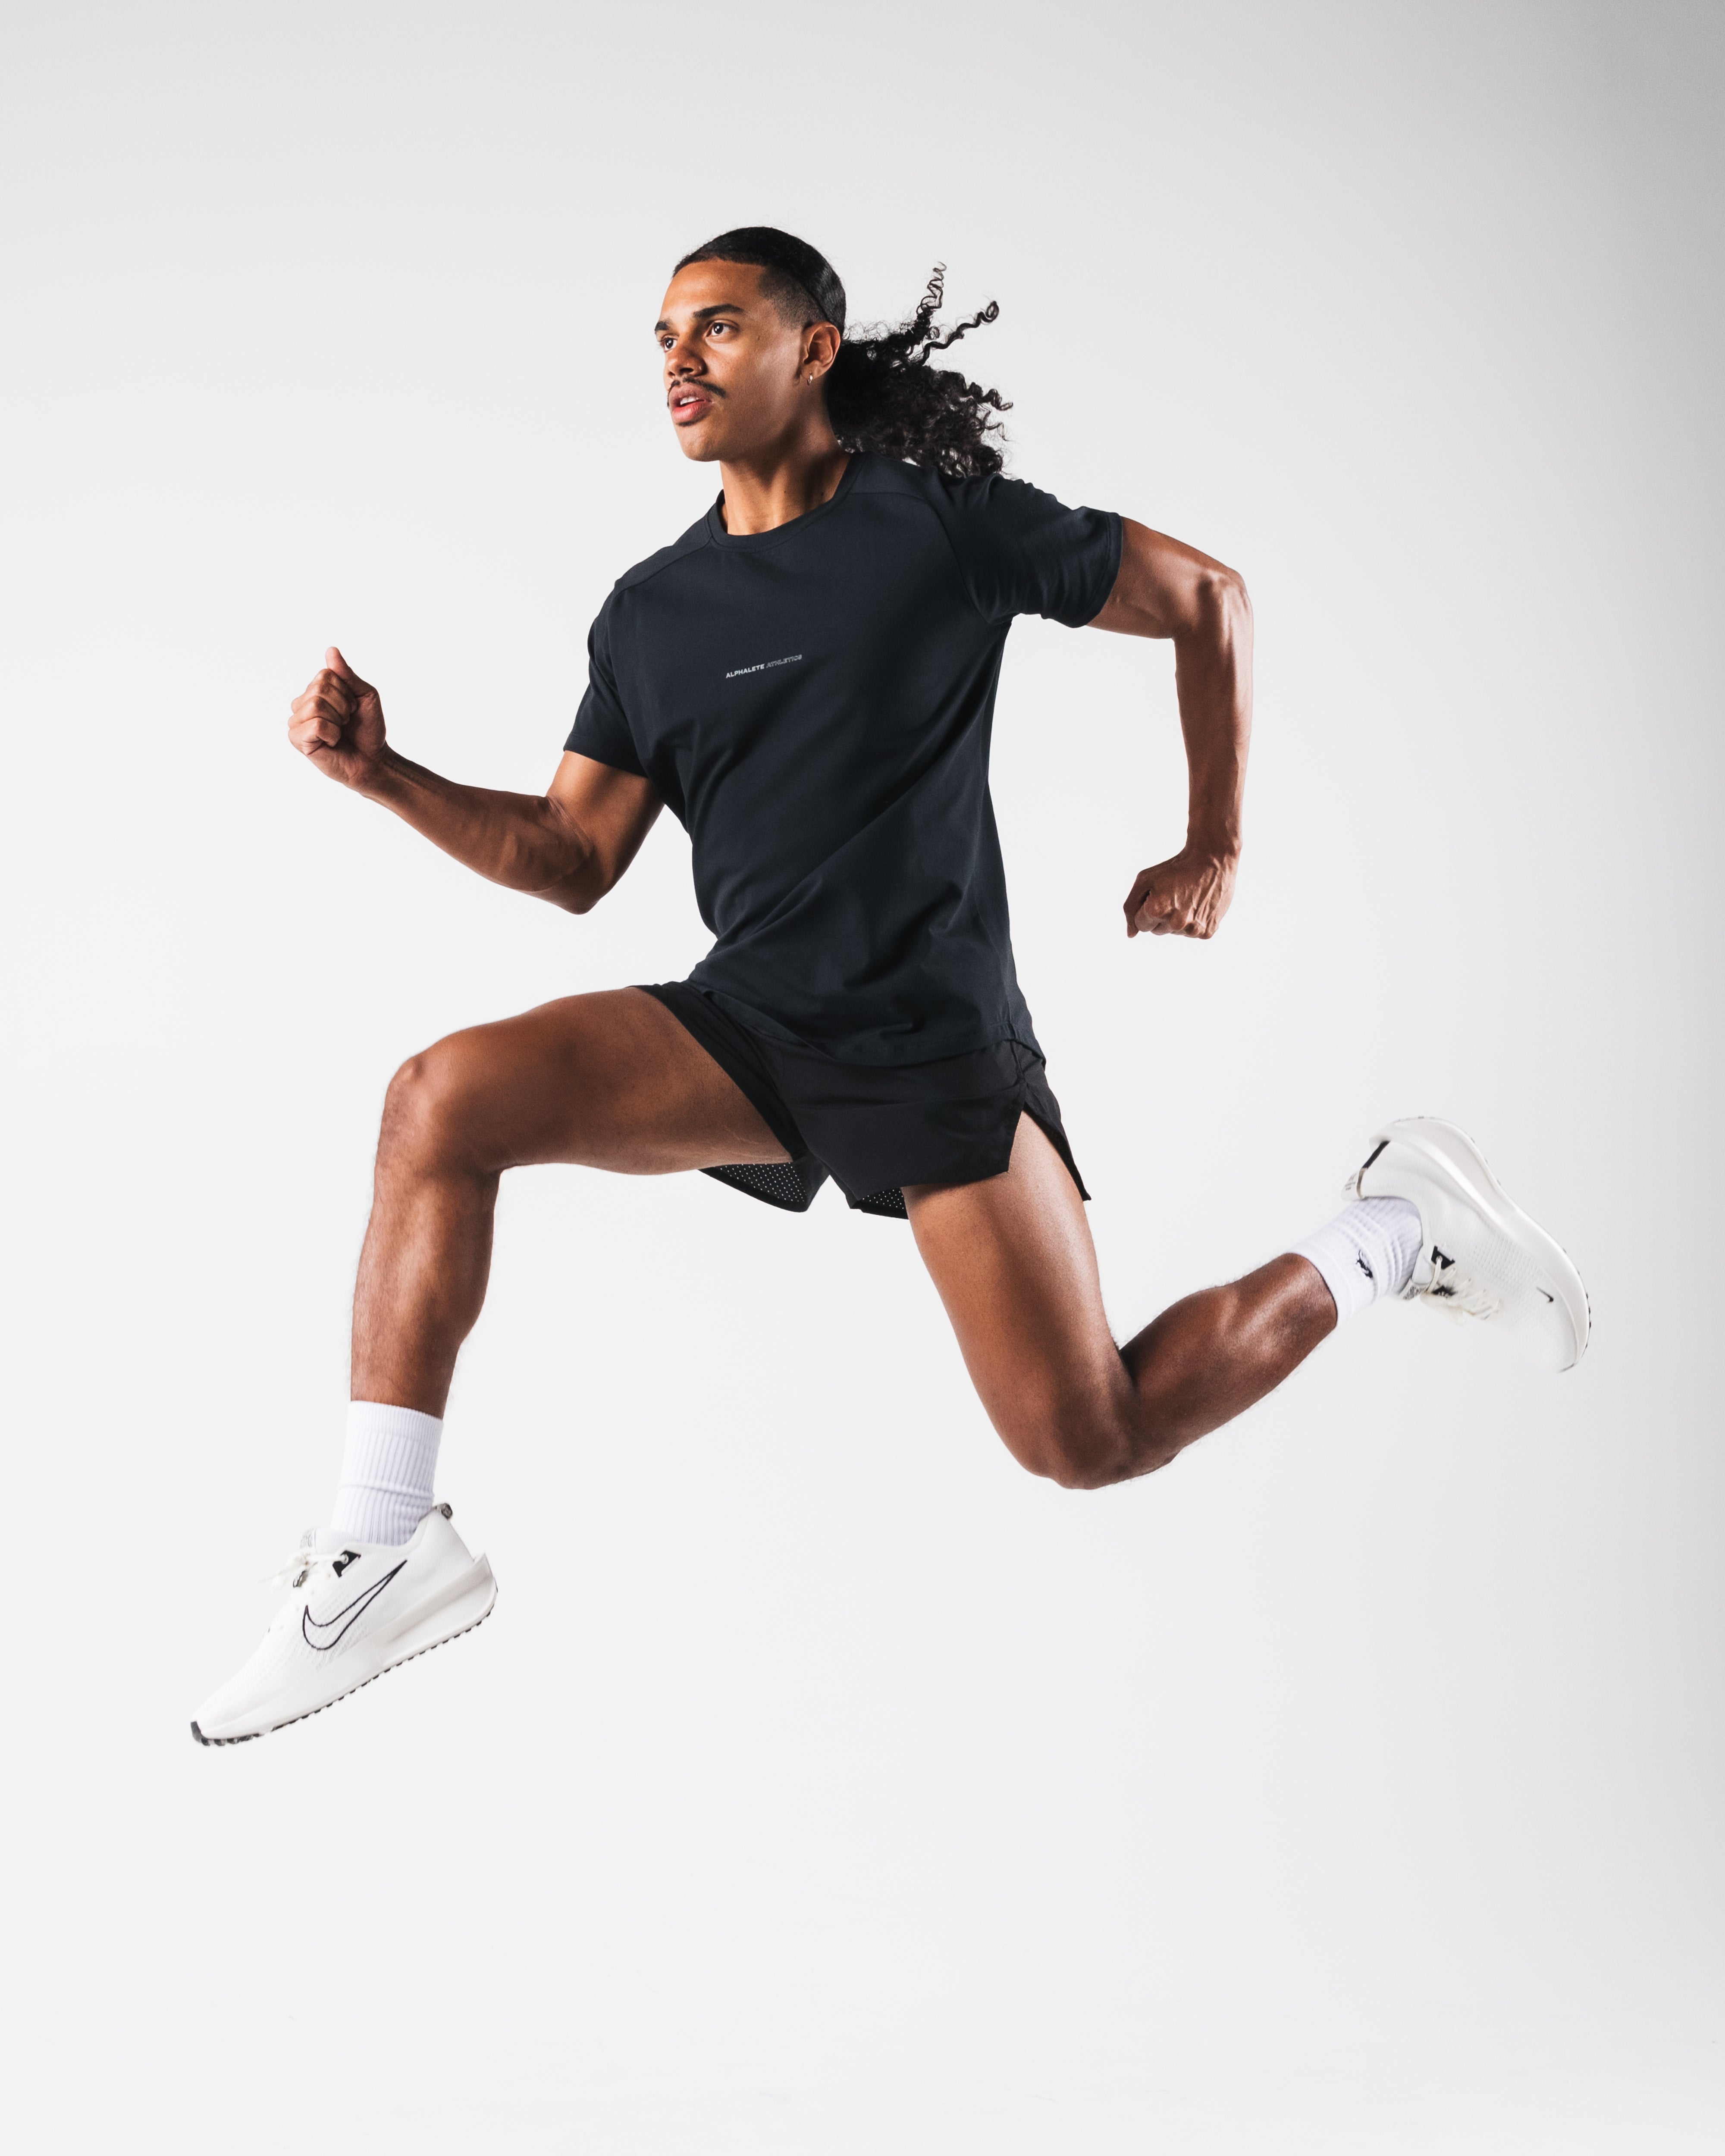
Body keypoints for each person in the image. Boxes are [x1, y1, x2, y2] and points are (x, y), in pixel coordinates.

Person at [191, 229, 1589, 1747]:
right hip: (751, 1030)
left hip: (933, 1045)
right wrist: (386, 774)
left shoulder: (940, 526)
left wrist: (1214, 844)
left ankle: (1397, 1231)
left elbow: (1210, 598)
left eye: (719, 326)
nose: (678, 359)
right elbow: (574, 856)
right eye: (662, 334)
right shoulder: (651, 612)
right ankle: (382, 1541)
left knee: (1092, 1435)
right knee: (441, 1100)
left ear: (814, 350)